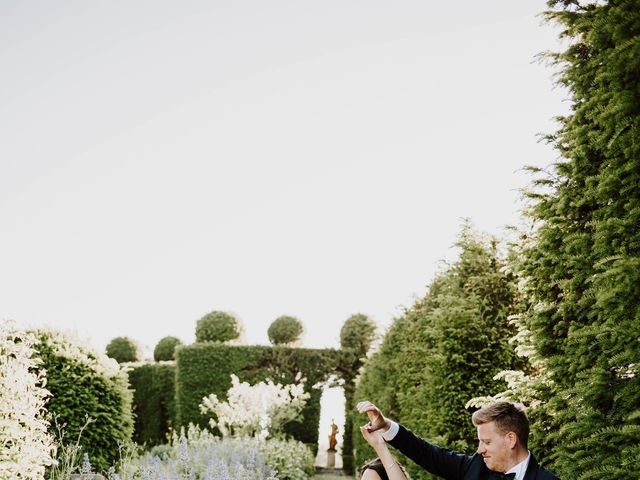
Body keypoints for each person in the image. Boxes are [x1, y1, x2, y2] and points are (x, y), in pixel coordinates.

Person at [356, 400, 559, 480]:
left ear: (511, 439)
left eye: (486, 442)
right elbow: (426, 453)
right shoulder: (474, 467)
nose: (480, 450)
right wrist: (385, 426)